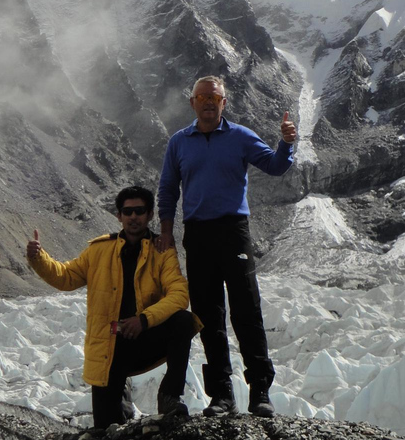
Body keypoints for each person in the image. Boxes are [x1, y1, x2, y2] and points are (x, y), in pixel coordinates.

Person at [156, 76, 297, 417]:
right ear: (192, 102)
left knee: (246, 310)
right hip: (198, 233)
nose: (208, 102)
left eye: (214, 97)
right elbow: (168, 188)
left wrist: (287, 143)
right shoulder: (179, 142)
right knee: (208, 316)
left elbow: (276, 166)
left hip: (234, 230)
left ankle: (260, 392)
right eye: (202, 96)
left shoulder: (240, 136)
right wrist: (166, 231)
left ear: (224, 103)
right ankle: (222, 395)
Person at [26, 186, 201, 429]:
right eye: (127, 211)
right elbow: (66, 277)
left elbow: (179, 294)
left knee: (183, 320)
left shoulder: (162, 252)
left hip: (144, 337)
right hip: (109, 348)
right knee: (106, 427)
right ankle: (123, 399)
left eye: (139, 211)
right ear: (118, 216)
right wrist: (39, 258)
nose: (133, 217)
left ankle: (170, 395)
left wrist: (144, 319)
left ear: (150, 214)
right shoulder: (99, 250)